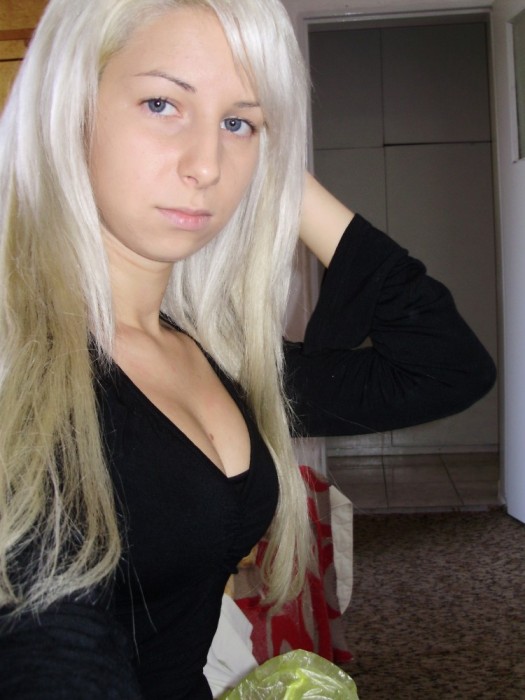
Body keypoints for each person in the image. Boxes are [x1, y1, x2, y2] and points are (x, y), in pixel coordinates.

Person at [0, 0, 495, 698]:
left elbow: (445, 367)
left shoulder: (217, 357)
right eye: (161, 104)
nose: (206, 165)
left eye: (238, 123)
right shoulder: (23, 379)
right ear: (68, 106)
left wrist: (281, 174)